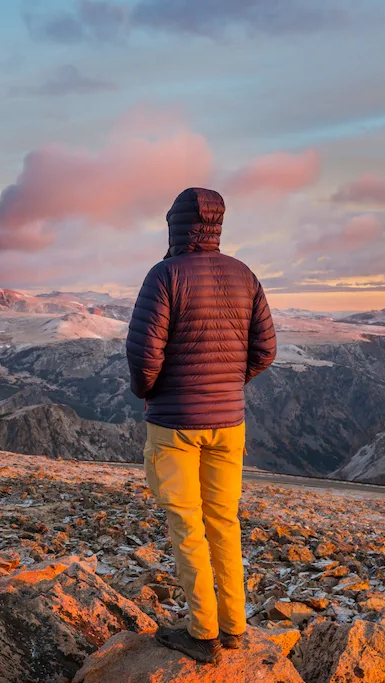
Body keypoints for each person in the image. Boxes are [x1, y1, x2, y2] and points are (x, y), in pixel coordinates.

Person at [126, 187, 277, 663]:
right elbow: (265, 350)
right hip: (229, 424)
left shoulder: (165, 275)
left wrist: (150, 391)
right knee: (224, 523)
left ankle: (203, 632)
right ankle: (234, 627)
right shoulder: (244, 275)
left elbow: (143, 354)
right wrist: (230, 384)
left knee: (188, 526)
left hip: (174, 425)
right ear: (216, 225)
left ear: (175, 225)